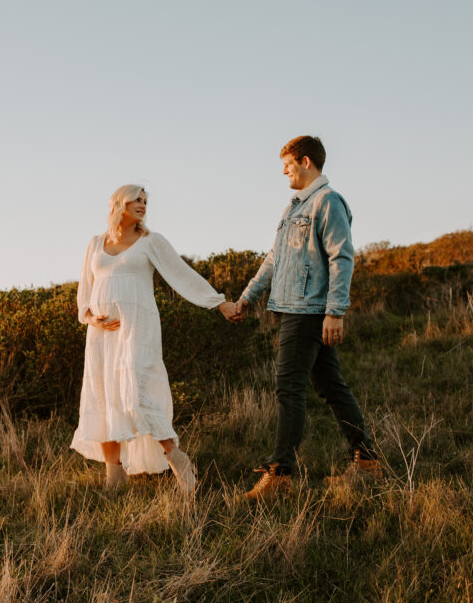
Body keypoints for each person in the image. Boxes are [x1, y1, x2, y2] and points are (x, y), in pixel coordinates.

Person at [232, 135, 382, 500]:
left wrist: (335, 312)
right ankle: (367, 461)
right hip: (291, 309)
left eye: (287, 164)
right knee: (330, 387)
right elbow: (274, 258)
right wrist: (248, 295)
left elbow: (341, 258)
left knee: (289, 388)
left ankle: (280, 473)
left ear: (306, 162)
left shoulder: (328, 202)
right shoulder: (293, 208)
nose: (283, 171)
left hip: (308, 312)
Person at [72, 184, 238, 493]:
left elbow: (182, 274)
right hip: (101, 334)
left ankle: (177, 458)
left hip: (138, 327)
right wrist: (90, 316)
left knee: (137, 393)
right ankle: (115, 473)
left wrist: (218, 302)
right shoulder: (95, 243)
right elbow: (85, 292)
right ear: (118, 203)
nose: (143, 205)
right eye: (136, 199)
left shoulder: (150, 241)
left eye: (146, 201)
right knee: (105, 394)